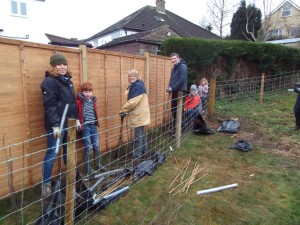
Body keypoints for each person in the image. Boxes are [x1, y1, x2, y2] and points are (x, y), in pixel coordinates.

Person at [40, 53, 79, 197]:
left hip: (68, 122)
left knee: (68, 151)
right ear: (53, 66)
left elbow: (71, 104)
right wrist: (56, 125)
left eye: (64, 64)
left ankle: (70, 180)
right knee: (52, 153)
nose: (62, 67)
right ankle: (46, 185)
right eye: (59, 64)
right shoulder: (49, 82)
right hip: (55, 125)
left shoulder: (68, 81)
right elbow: (49, 105)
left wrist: (76, 119)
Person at [76, 82, 107, 175]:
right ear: (82, 92)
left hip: (93, 126)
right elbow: (76, 112)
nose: (88, 93)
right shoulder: (79, 101)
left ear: (92, 92)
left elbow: (94, 112)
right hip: (85, 127)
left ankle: (98, 164)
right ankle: (87, 168)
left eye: (89, 91)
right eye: (85, 91)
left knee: (96, 145)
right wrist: (78, 121)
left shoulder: (93, 101)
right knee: (88, 147)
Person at [120, 69, 151, 159]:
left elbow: (133, 102)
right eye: (129, 76)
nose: (131, 77)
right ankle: (145, 151)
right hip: (140, 113)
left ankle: (136, 156)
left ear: (137, 77)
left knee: (138, 136)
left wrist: (123, 110)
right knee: (141, 134)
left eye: (133, 76)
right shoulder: (135, 85)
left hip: (139, 114)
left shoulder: (137, 86)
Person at [166, 52, 188, 124]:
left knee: (180, 111)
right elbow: (172, 79)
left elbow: (182, 79)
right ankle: (175, 129)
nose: (173, 60)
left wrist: (173, 88)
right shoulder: (174, 68)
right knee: (174, 110)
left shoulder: (182, 66)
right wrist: (169, 86)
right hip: (174, 91)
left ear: (178, 58)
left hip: (180, 92)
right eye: (172, 59)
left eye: (174, 58)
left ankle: (181, 130)